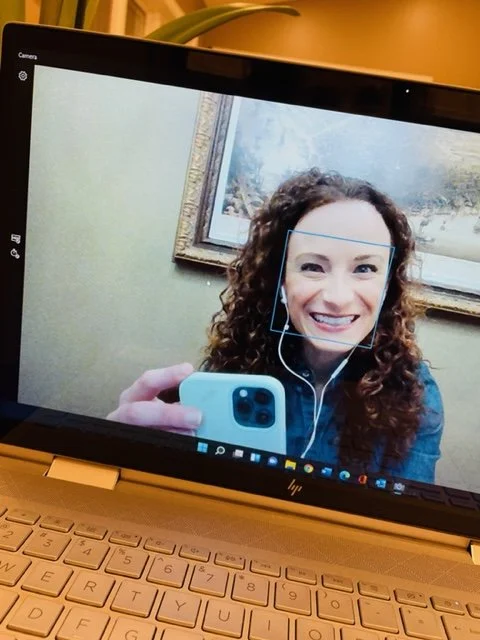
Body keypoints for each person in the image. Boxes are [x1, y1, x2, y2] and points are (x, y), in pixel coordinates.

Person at [107, 169, 444, 483]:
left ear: (387, 287)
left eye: (365, 269)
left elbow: (396, 515)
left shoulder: (415, 393)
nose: (338, 298)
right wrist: (129, 464)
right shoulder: (235, 369)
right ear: (281, 281)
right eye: (312, 267)